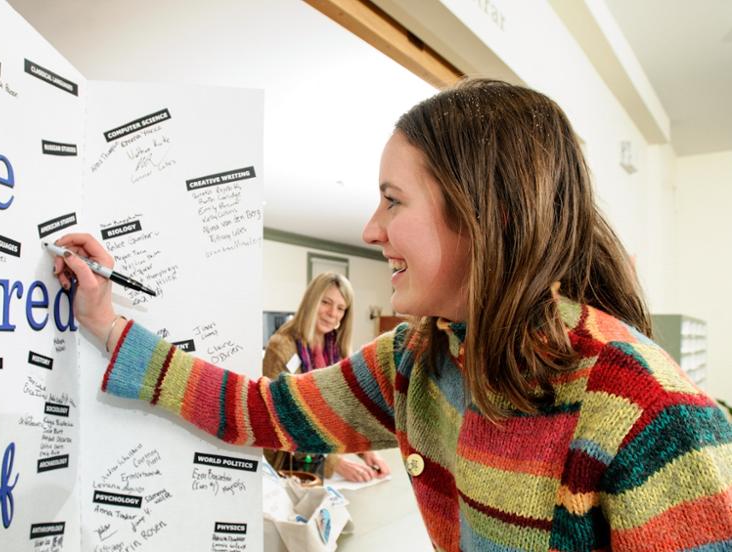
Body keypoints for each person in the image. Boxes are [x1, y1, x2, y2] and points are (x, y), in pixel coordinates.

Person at [55, 79, 732, 550]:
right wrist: (108, 323)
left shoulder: (647, 410)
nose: (370, 229)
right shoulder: (414, 363)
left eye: (393, 201)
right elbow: (257, 411)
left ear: (484, 214)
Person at [261, 272, 391, 482]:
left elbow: (346, 411)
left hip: (327, 453)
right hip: (288, 463)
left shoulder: (338, 349)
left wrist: (366, 448)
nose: (333, 313)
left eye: (341, 308)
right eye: (326, 302)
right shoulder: (282, 346)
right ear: (312, 302)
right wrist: (334, 463)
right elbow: (282, 418)